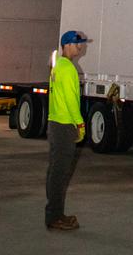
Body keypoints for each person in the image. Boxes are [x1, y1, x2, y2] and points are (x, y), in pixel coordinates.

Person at [45, 28, 90, 232]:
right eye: (77, 43)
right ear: (67, 45)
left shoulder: (58, 66)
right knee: (60, 173)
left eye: (81, 43)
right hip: (64, 126)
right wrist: (80, 124)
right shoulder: (68, 68)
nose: (80, 47)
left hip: (55, 123)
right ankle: (55, 217)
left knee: (55, 171)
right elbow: (72, 101)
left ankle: (54, 214)